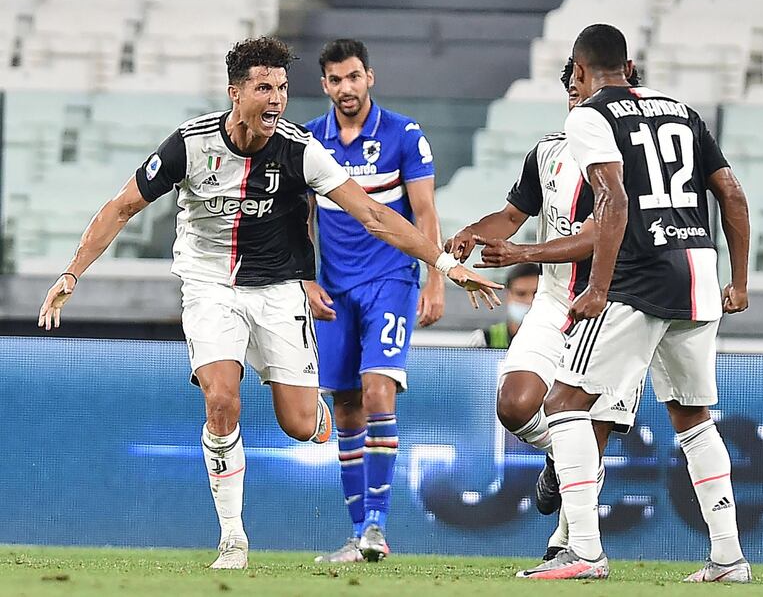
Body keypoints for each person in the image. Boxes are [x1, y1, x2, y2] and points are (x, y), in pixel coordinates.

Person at [37, 36, 501, 571]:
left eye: (282, 88)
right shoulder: (190, 145)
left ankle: (316, 407)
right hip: (209, 285)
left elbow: (372, 215)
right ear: (236, 93)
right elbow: (122, 207)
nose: (276, 99)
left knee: (301, 426)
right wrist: (72, 272)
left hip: (279, 291)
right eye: (264, 88)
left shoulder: (301, 148)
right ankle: (233, 538)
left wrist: (444, 266)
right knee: (221, 398)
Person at [522, 24, 751, 582]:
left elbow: (613, 199)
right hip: (698, 271)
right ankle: (728, 557)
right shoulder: (681, 110)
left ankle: (584, 553)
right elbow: (732, 193)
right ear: (628, 66)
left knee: (565, 403)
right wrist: (738, 280)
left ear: (579, 71)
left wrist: (597, 287)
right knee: (693, 417)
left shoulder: (587, 116)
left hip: (641, 276)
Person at [448, 58, 641, 564]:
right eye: (576, 94)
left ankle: (568, 547)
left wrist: (523, 255)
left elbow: (599, 235)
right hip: (556, 300)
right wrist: (476, 232)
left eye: (590, 93)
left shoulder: (631, 161)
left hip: (613, 307)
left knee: (590, 436)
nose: (583, 104)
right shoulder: (548, 153)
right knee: (514, 404)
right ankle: (558, 456)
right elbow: (513, 216)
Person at [303, 38, 446, 563]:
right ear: (325, 85)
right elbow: (303, 220)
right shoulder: (310, 141)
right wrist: (305, 279)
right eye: (336, 80)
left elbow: (425, 211)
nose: (346, 88)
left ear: (371, 78)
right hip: (334, 290)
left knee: (377, 391)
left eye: (354, 77)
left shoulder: (404, 134)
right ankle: (358, 529)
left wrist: (436, 278)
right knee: (344, 406)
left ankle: (378, 527)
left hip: (391, 280)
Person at [467, 263, 541, 349]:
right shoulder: (484, 339)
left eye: (536, 294)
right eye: (521, 294)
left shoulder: (557, 339)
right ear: (508, 295)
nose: (529, 301)